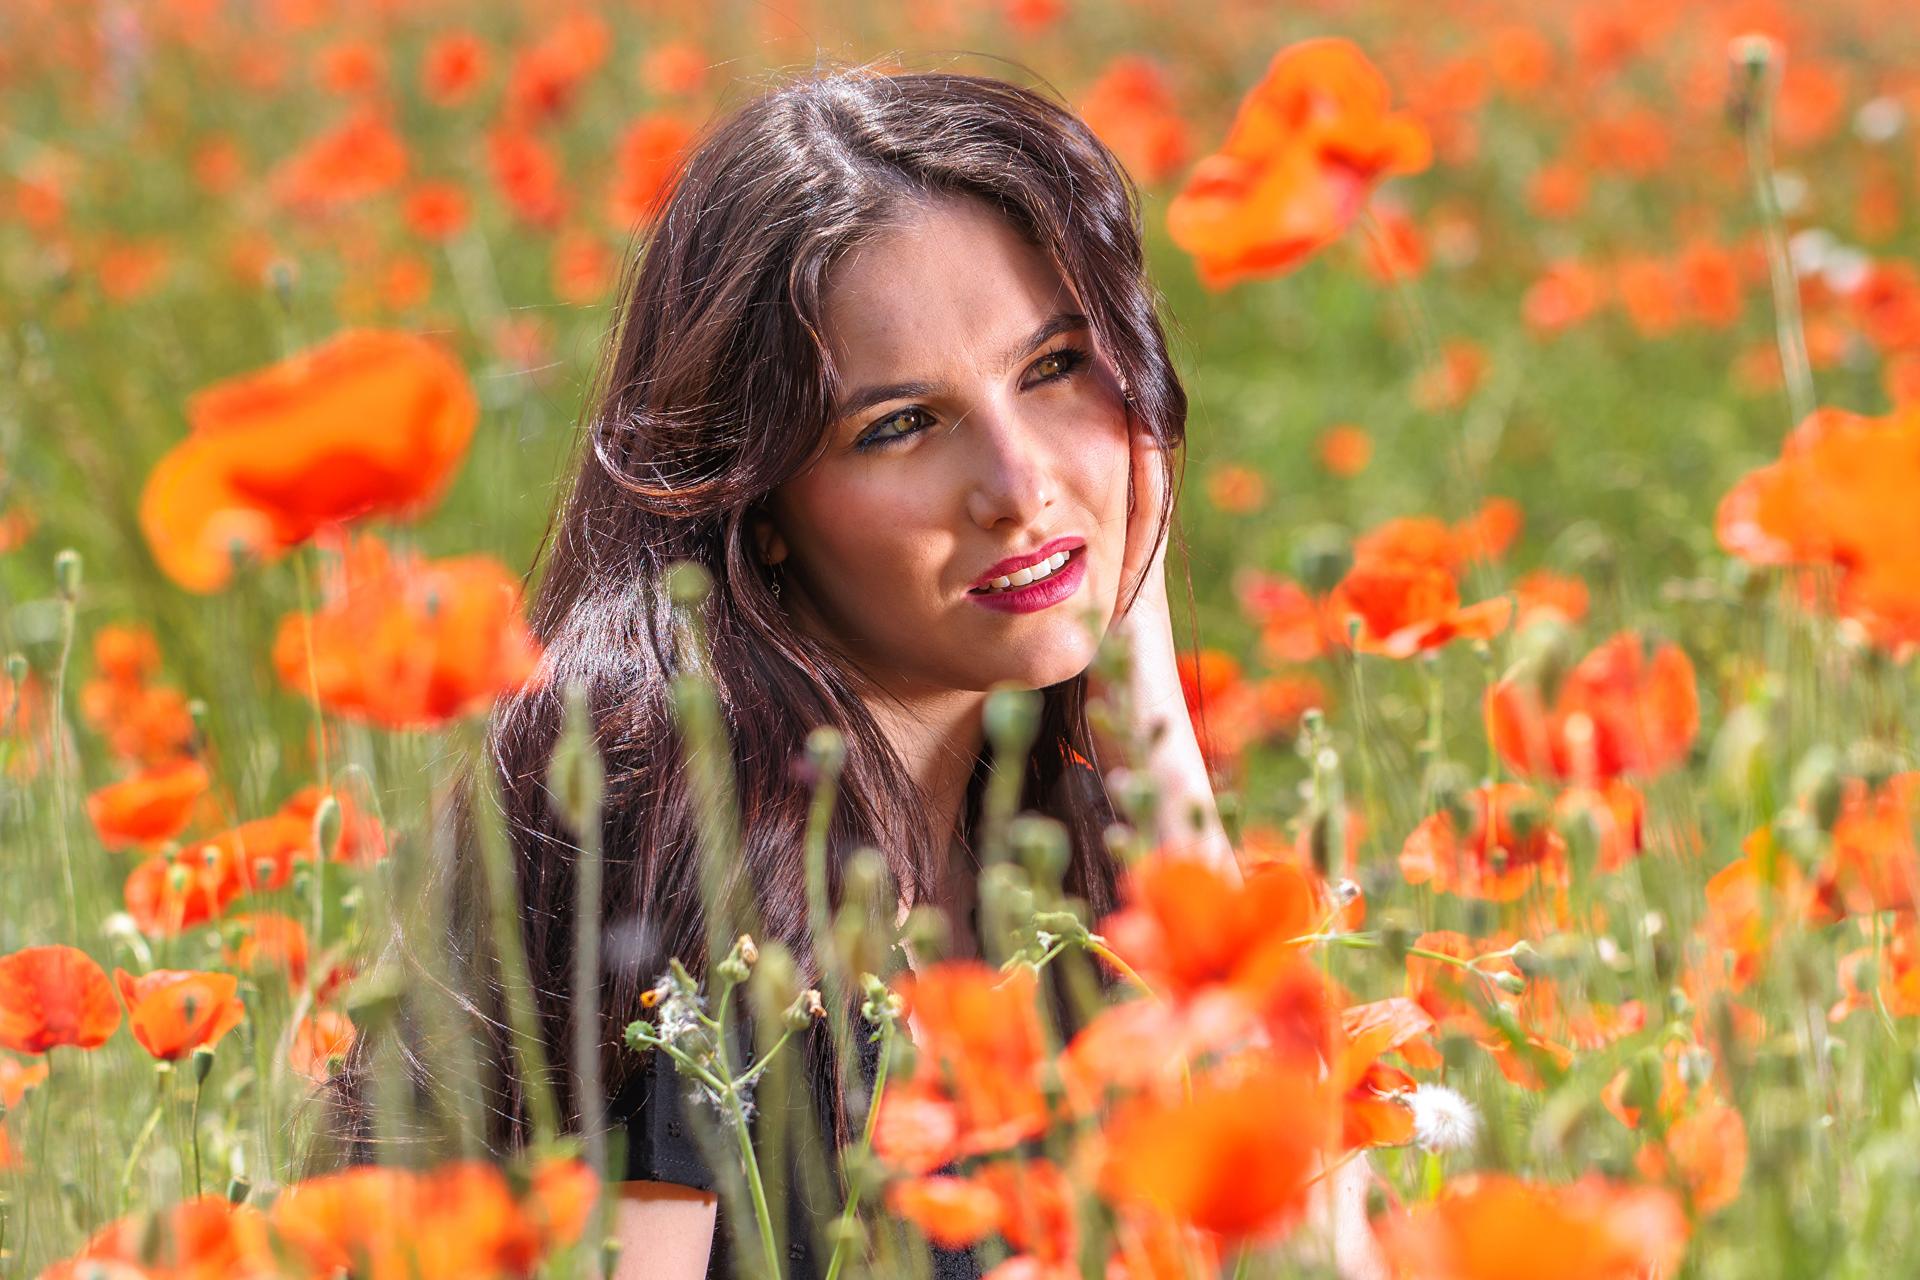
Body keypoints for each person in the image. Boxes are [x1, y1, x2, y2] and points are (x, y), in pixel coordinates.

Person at [320, 60, 1383, 1280]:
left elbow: (1313, 1248)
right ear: (757, 504)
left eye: (1053, 367)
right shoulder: (678, 852)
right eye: (901, 425)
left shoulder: (1040, 850)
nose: (1021, 486)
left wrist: (1148, 708)